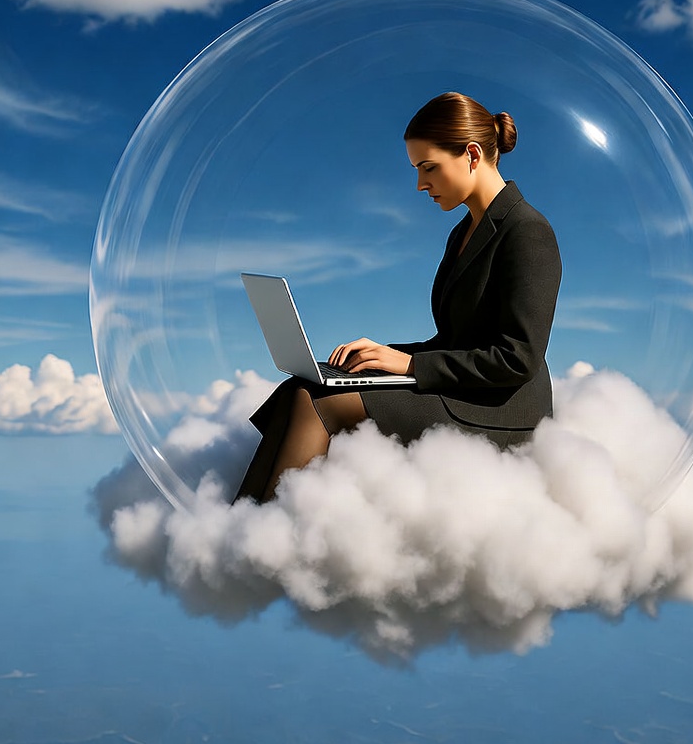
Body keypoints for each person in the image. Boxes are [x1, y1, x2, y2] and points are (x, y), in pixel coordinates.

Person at [233, 91, 562, 504]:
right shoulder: (463, 232)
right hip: (466, 392)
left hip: (501, 412)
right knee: (301, 387)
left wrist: (408, 365)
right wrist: (380, 355)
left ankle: (264, 544)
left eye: (429, 168)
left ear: (472, 155)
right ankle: (240, 527)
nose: (421, 184)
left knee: (320, 404)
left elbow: (517, 358)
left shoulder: (527, 231)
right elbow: (458, 340)